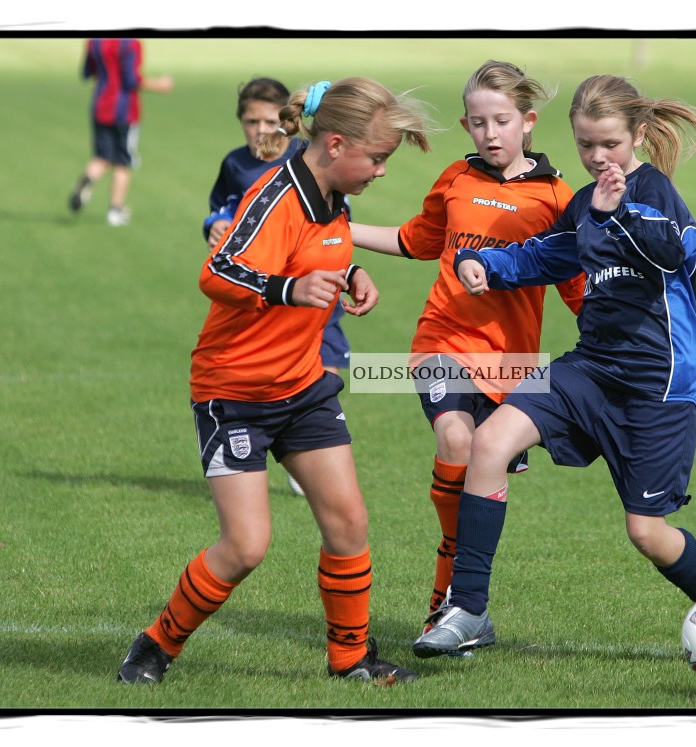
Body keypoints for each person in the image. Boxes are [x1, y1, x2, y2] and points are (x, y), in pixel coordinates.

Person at [117, 77, 433, 686]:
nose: (382, 171)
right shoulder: (276, 193)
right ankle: (155, 645)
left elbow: (317, 248)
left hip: (302, 387)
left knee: (348, 523)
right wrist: (288, 289)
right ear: (336, 144)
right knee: (245, 547)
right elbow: (220, 271)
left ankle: (352, 660)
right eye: (378, 158)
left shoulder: (332, 192)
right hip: (234, 392)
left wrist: (352, 271)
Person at [414, 74, 696, 658]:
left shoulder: (652, 191)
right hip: (589, 368)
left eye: (609, 143)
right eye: (586, 145)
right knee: (488, 443)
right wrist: (485, 263)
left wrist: (619, 217)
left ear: (636, 136)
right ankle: (469, 610)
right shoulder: (585, 202)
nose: (597, 157)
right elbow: (548, 253)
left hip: (655, 385)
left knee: (647, 533)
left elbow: (678, 248)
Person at [349, 60, 584, 643]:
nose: (491, 134)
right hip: (441, 340)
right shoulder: (455, 179)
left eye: (502, 121)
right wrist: (338, 227)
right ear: (466, 125)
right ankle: (448, 599)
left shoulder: (558, 199)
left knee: (480, 460)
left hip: (510, 365)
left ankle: (460, 604)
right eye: (478, 123)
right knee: (457, 438)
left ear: (527, 121)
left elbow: (580, 292)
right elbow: (415, 240)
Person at [203, 76, 351, 496]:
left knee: (326, 360)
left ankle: (309, 448)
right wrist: (213, 224)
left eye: (270, 120)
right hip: (268, 292)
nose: (261, 130)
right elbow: (222, 211)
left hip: (317, 289)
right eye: (251, 121)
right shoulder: (236, 164)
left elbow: (335, 221)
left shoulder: (310, 159)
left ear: (289, 120)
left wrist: (350, 269)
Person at [68, 38, 174, 226]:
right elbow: (131, 79)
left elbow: (86, 73)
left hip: (100, 104)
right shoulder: (130, 43)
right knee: (123, 161)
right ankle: (116, 211)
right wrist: (159, 84)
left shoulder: (95, 41)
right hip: (124, 110)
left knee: (101, 156)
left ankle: (88, 180)